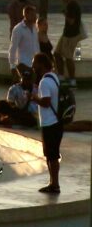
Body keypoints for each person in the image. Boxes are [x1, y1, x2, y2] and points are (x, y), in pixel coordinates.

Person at [31, 51, 64, 194]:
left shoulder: (44, 81)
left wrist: (34, 98)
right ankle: (52, 182)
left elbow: (46, 101)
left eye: (34, 63)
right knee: (51, 155)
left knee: (52, 156)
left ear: (41, 64)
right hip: (57, 122)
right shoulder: (54, 77)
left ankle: (54, 184)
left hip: (50, 124)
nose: (32, 67)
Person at [57, 0, 83, 86]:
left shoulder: (72, 5)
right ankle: (61, 77)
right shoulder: (70, 5)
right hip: (66, 34)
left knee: (68, 58)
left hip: (71, 35)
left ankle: (72, 80)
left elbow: (71, 21)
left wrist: (65, 13)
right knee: (57, 54)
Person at [10, 4, 42, 73]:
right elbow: (13, 48)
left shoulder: (35, 28)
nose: (35, 17)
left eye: (35, 15)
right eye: (33, 15)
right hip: (24, 65)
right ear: (26, 15)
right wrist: (12, 66)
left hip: (36, 65)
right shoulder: (18, 29)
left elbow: (37, 45)